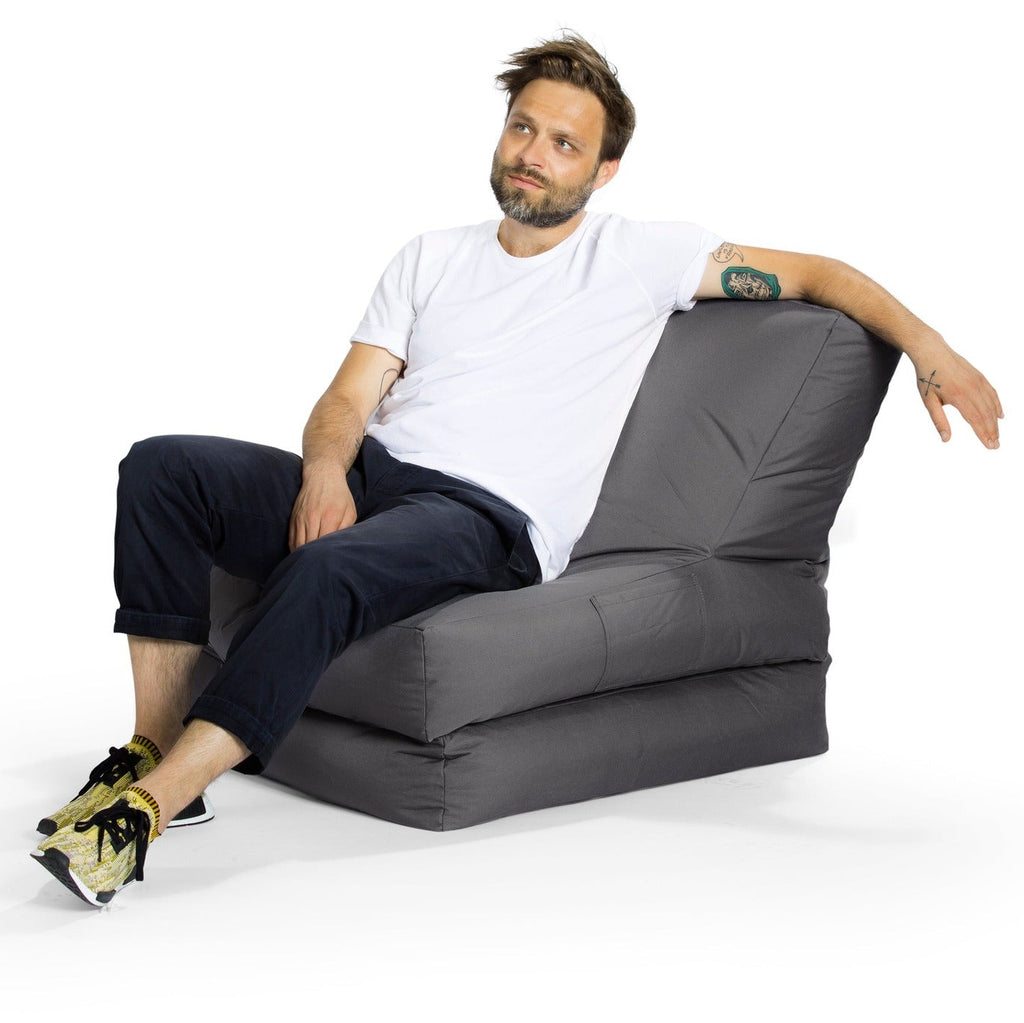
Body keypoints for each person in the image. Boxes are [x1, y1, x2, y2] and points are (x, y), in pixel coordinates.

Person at [31, 33, 1003, 907]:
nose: (532, 155)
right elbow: (345, 398)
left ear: (605, 167)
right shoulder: (430, 256)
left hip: (488, 519)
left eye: (563, 143)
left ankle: (149, 813)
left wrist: (930, 348)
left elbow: (818, 276)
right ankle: (147, 748)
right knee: (161, 468)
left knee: (328, 570)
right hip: (375, 476)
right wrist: (326, 472)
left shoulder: (643, 256)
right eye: (523, 129)